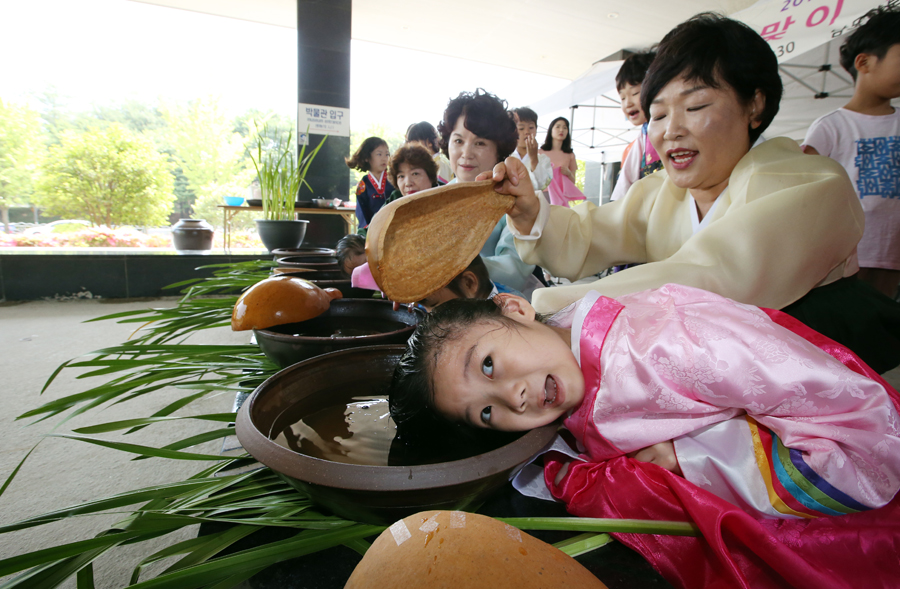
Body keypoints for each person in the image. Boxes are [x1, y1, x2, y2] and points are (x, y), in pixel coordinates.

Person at [389, 284, 900, 589]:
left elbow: (870, 442)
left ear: (516, 309)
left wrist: (688, 459)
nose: (512, 398)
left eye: (489, 364)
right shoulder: (569, 363)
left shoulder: (676, 347)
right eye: (485, 412)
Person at [483, 13, 900, 374]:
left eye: (695, 106)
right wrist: (529, 209)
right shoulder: (663, 192)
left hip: (827, 360)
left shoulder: (810, 182)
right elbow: (592, 233)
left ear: (755, 104)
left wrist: (552, 309)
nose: (672, 129)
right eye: (660, 114)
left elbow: (708, 276)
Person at [802, 5, 900, 299]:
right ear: (865, 62)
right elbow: (805, 193)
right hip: (843, 259)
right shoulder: (831, 127)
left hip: (892, 254)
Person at [436, 89, 541, 295]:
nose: (466, 153)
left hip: (502, 307)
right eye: (458, 141)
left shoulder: (512, 199)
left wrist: (448, 266)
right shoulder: (435, 200)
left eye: (480, 143)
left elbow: (514, 271)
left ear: (498, 150)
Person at [610, 50, 662, 202]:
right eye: (623, 97)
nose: (628, 103)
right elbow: (624, 185)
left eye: (634, 93)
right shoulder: (643, 137)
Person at [345, 137, 393, 230]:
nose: (384, 158)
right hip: (373, 230)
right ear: (367, 157)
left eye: (387, 154)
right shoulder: (363, 185)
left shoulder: (394, 179)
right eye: (379, 154)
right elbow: (361, 212)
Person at [511, 107, 553, 193]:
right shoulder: (505, 156)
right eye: (521, 128)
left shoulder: (543, 160)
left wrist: (534, 158)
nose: (527, 132)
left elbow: (542, 185)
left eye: (531, 127)